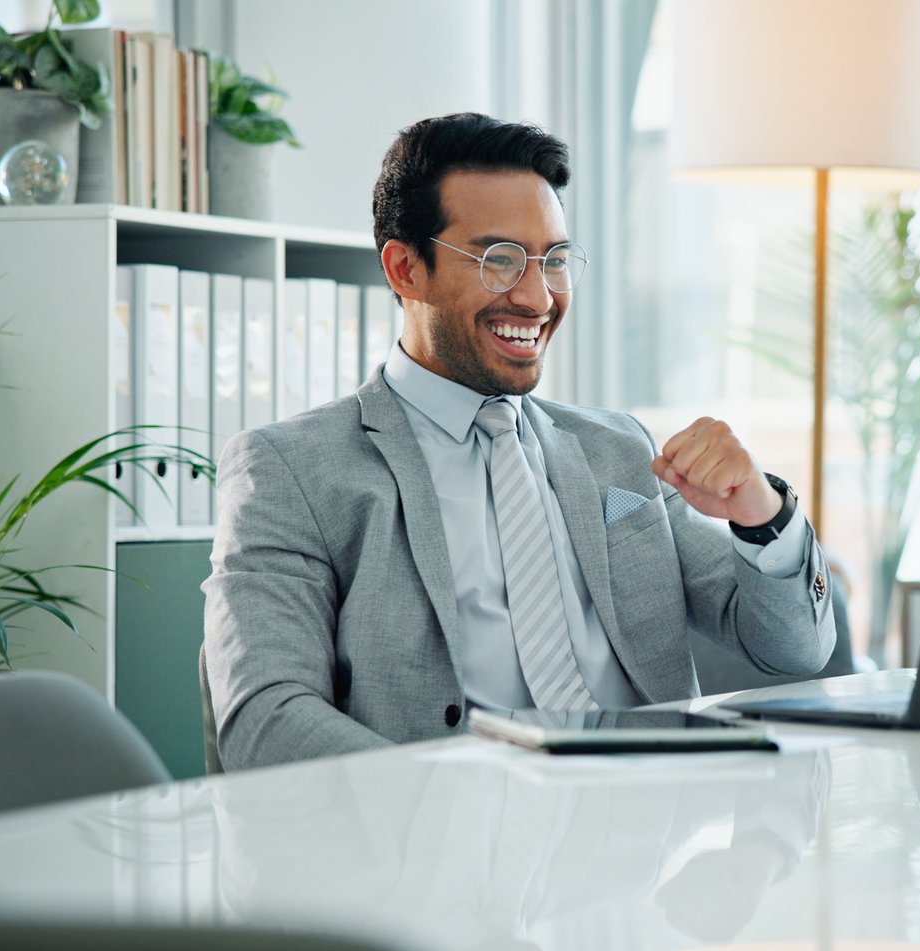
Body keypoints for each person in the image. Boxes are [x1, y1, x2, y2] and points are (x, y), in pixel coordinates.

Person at [202, 112, 834, 768]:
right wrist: (449, 810)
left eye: (554, 260)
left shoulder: (617, 447)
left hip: (650, 828)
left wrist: (762, 513)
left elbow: (792, 650)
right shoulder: (291, 469)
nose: (537, 297)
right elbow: (265, 719)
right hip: (448, 842)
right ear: (404, 269)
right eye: (499, 260)